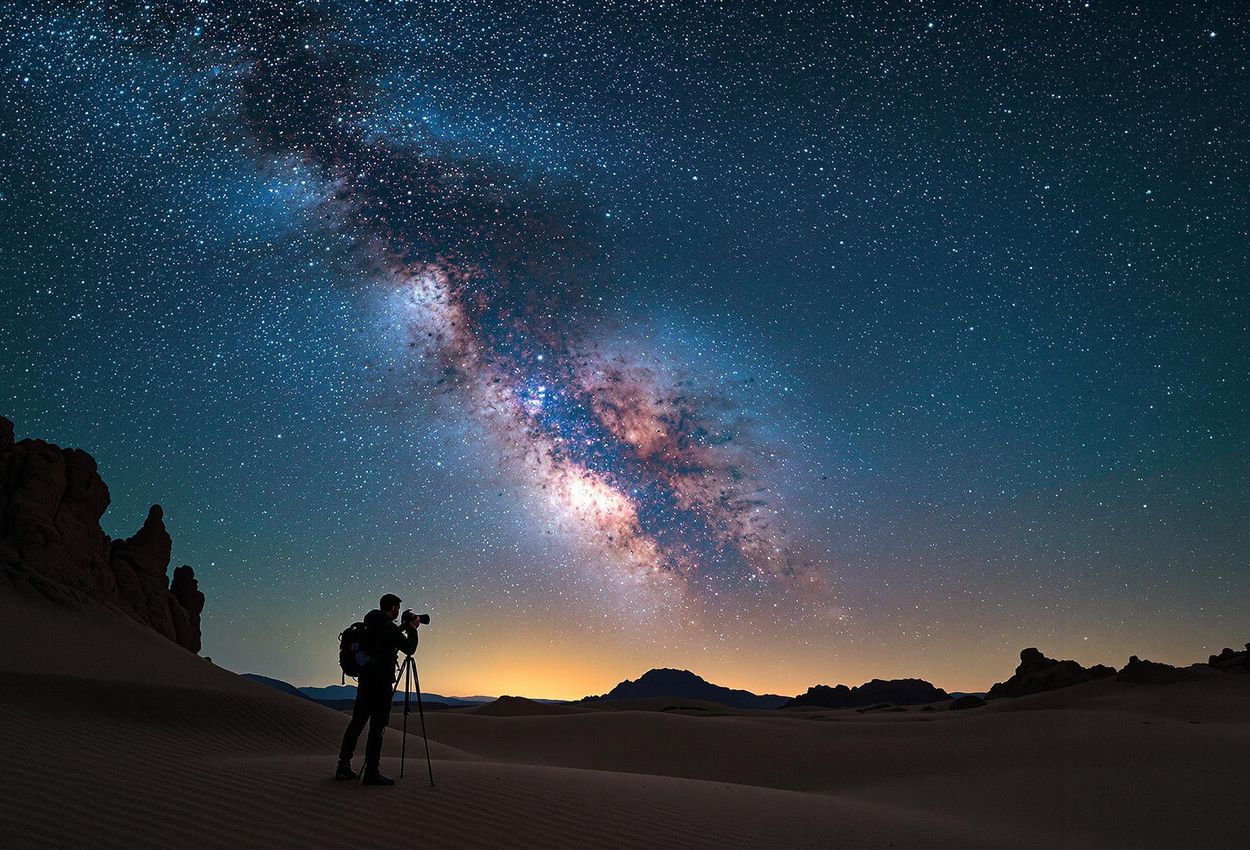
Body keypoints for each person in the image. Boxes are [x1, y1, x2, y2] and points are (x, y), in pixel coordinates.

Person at [336, 593, 419, 785]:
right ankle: (372, 771)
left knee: (356, 724)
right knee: (377, 727)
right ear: (392, 608)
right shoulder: (388, 627)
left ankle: (343, 766)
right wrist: (413, 629)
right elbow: (409, 648)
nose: (398, 611)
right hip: (381, 685)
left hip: (365, 683)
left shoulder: (370, 625)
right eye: (397, 607)